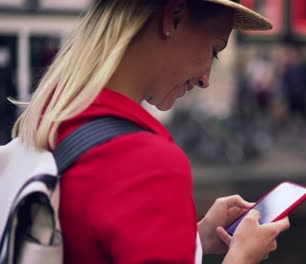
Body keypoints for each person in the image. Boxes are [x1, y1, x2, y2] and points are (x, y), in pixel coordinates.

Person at [10, 0, 290, 263]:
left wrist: (195, 238)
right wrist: (242, 256)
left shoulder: (52, 116)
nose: (206, 79)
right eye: (214, 50)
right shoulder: (150, 164)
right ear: (174, 17)